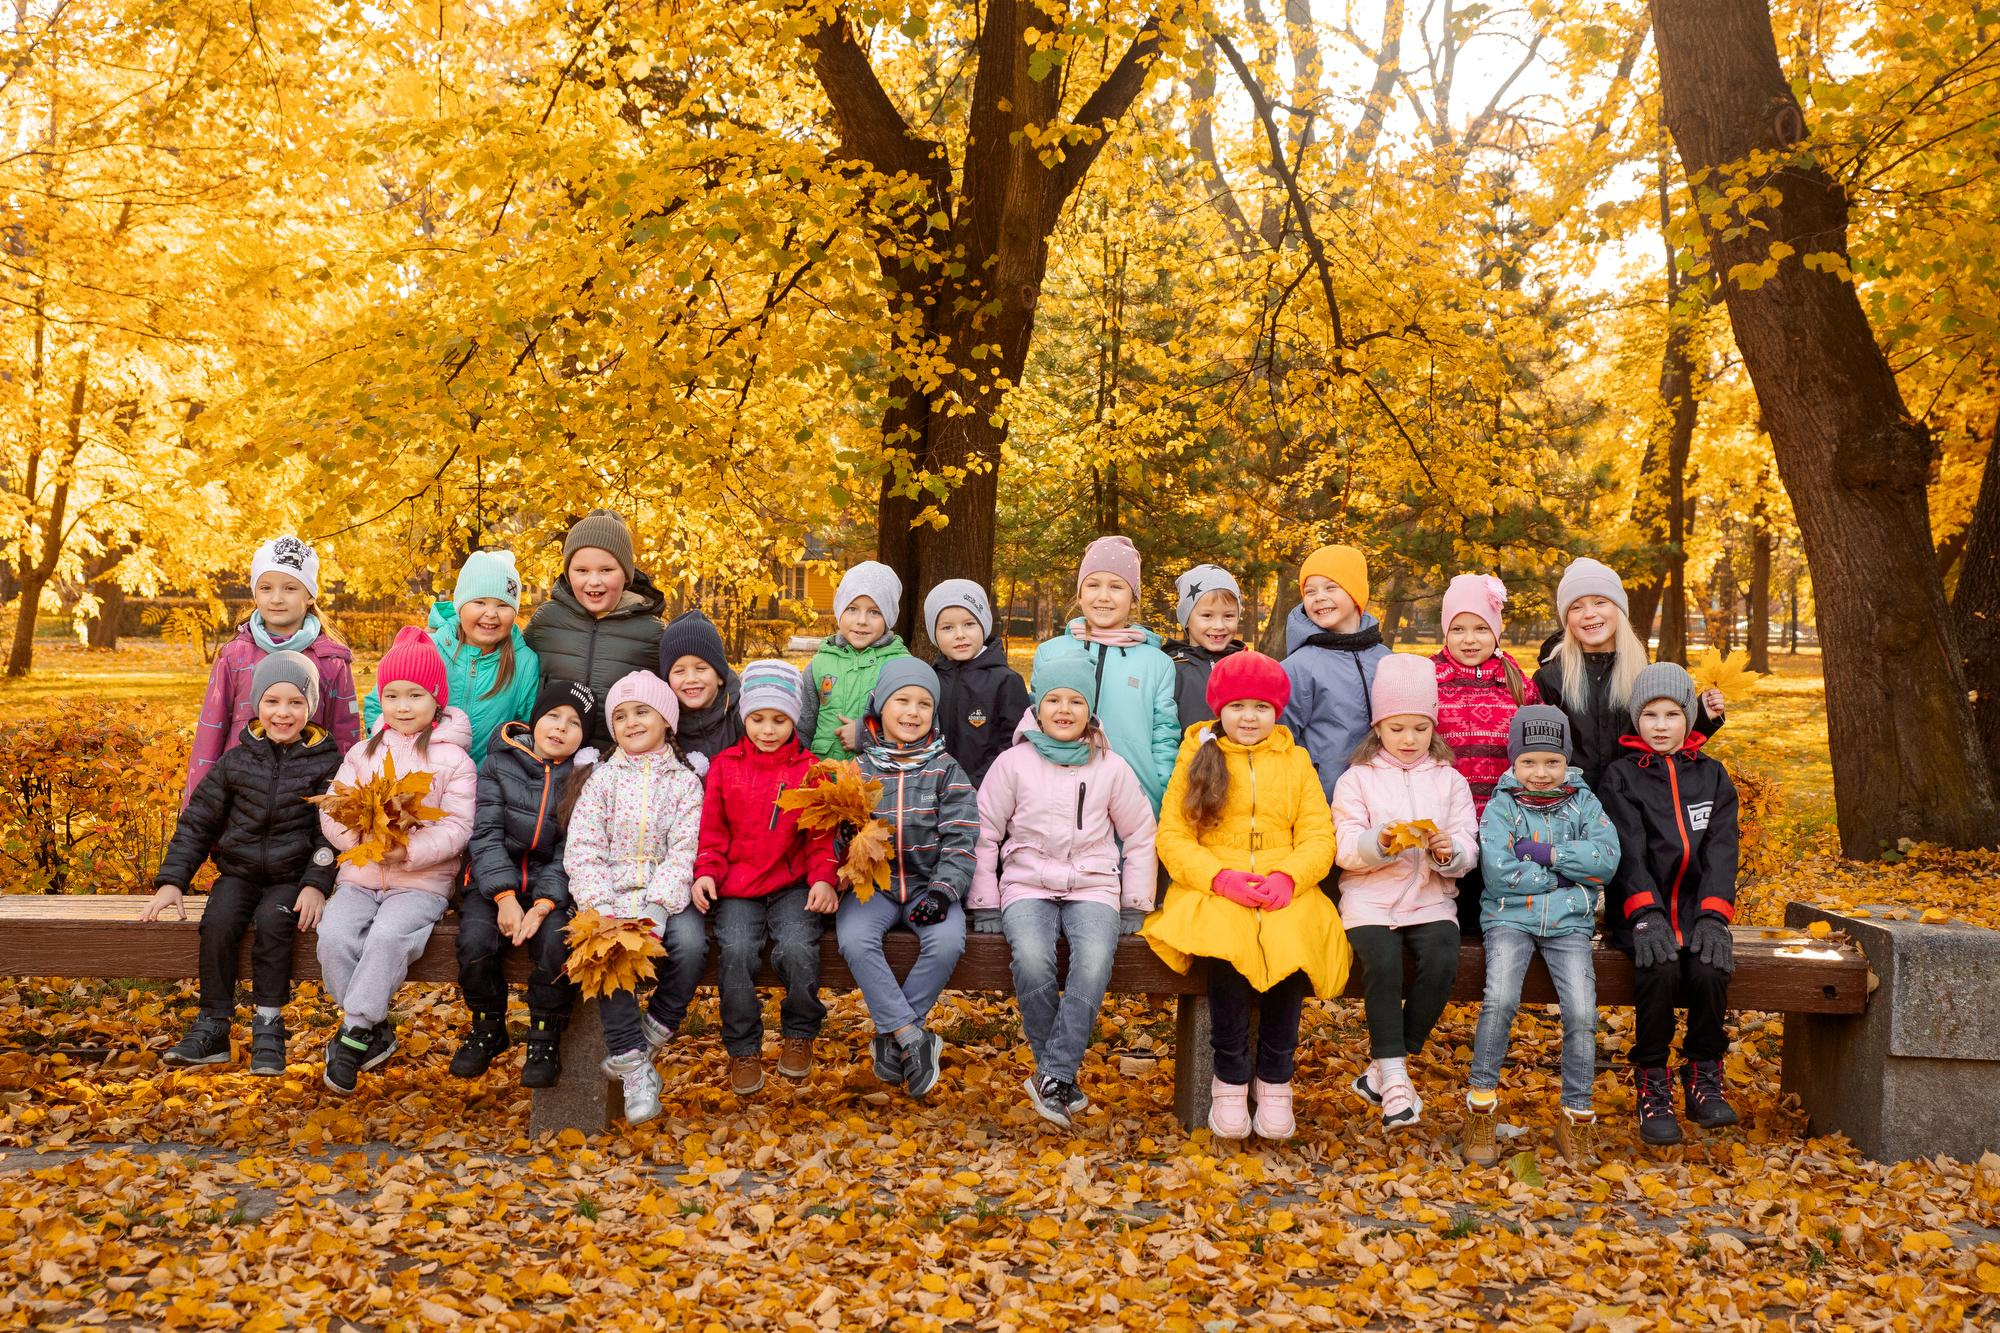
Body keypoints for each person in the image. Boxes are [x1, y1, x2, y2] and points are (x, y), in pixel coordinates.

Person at [1141, 651, 1346, 1141]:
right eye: (1237, 706)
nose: (1248, 717)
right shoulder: (1198, 756)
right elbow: (1173, 836)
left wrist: (1290, 878)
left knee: (1293, 941)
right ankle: (1230, 1077)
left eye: (1260, 707)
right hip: (1213, 885)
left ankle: (1276, 1077)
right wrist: (1219, 879)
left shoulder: (1295, 762)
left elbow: (1319, 836)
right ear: (1219, 709)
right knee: (1228, 944)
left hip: (1283, 885)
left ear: (1277, 712)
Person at [967, 655, 1158, 1127]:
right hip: (1026, 881)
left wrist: (1134, 902)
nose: (1064, 709)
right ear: (1038, 705)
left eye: (1076, 700)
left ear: (1090, 711)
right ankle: (1059, 1078)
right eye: (1054, 699)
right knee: (1032, 957)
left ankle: (1051, 1073)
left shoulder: (1111, 768)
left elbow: (1139, 834)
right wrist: (985, 900)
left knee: (1093, 962)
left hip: (1093, 883)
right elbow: (984, 831)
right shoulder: (1013, 764)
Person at [146, 652, 344, 1075]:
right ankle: (213, 1024)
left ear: (310, 706)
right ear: (257, 704)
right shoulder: (237, 760)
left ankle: (269, 1024)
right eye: (272, 702)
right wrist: (173, 880)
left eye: (295, 702)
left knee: (275, 925)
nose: (283, 713)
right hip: (239, 873)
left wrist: (316, 882)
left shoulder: (328, 764)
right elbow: (199, 822)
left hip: (290, 878)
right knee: (217, 922)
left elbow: (330, 834)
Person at [316, 628, 478, 1095]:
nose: (402, 706)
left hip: (421, 884)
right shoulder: (363, 753)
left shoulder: (454, 761)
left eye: (415, 695)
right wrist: (358, 837)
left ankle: (353, 1034)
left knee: (388, 936)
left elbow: (458, 828)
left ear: (437, 700)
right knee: (335, 934)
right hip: (360, 876)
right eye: (391, 695)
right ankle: (372, 1028)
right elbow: (334, 808)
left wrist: (408, 850)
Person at [1463, 706, 1619, 1167]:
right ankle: (1481, 1107)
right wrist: (1564, 878)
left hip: (1570, 924)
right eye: (1528, 761)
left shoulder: (1585, 803)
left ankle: (1575, 1116)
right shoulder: (1501, 805)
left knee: (1582, 1011)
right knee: (1500, 1001)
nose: (1540, 772)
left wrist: (1544, 852)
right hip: (1510, 919)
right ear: (1513, 762)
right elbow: (1498, 872)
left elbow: (1606, 860)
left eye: (1551, 761)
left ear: (1566, 761)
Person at [1599, 663, 1742, 1147]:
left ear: (1689, 718)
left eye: (1671, 714)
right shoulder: (1621, 777)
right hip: (1643, 913)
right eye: (1650, 715)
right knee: (1657, 969)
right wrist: (1644, 912)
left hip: (1698, 911)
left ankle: (1703, 1073)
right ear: (1636, 721)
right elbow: (1626, 851)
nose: (1660, 726)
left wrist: (1715, 916)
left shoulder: (1713, 776)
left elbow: (1722, 852)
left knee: (1709, 970)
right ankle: (1651, 1079)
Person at [1333, 653, 1476, 1130]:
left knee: (1442, 958)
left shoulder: (1450, 780)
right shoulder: (1357, 779)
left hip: (1430, 896)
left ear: (1433, 727)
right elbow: (1346, 847)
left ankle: (1385, 1066)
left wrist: (1446, 851)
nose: (1409, 739)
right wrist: (1381, 842)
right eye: (1397, 729)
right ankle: (1394, 1076)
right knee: (1383, 963)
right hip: (1369, 898)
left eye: (1419, 728)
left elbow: (1468, 845)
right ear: (1379, 729)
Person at [562, 670, 707, 1125]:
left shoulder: (685, 783)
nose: (631, 722)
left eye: (642, 712)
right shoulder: (602, 780)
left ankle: (656, 1026)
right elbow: (583, 849)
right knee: (606, 954)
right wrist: (602, 907)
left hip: (668, 896)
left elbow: (686, 848)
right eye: (620, 716)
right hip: (609, 894)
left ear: (667, 720)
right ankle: (632, 1065)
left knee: (691, 944)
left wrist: (659, 905)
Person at [690, 660, 837, 1096]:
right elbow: (712, 834)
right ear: (744, 717)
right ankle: (743, 1047)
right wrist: (706, 874)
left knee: (796, 948)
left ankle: (799, 1032)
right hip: (738, 888)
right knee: (734, 951)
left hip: (792, 886)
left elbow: (821, 836)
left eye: (779, 720)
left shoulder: (810, 770)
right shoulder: (726, 767)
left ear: (794, 719)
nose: (768, 730)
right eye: (758, 719)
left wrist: (824, 878)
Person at [834, 660, 978, 1100]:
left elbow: (962, 836)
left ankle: (894, 1034)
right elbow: (840, 833)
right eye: (903, 700)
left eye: (924, 704)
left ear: (934, 715)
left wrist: (943, 890)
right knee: (855, 940)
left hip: (927, 887)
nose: (912, 712)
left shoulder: (946, 770)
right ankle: (913, 1038)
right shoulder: (858, 769)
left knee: (948, 942)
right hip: (872, 888)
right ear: (879, 707)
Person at [449, 679, 594, 1088]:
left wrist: (545, 903)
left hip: (552, 887)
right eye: (553, 716)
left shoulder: (584, 778)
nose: (561, 728)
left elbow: (572, 850)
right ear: (535, 720)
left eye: (574, 723)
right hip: (494, 882)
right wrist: (505, 897)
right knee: (475, 941)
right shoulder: (499, 763)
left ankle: (545, 1034)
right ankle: (487, 1025)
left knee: (555, 942)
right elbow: (487, 833)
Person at [185, 535, 358, 801]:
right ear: (255, 592)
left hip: (302, 808)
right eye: (266, 588)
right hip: (240, 805)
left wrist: (344, 813)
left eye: (290, 588)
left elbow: (346, 742)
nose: (276, 598)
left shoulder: (331, 661)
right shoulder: (234, 656)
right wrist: (196, 812)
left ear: (310, 594)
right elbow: (210, 734)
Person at [1030, 536, 1179, 812]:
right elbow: (1035, 723)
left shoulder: (1157, 663)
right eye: (1093, 585)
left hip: (1136, 799)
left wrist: (1160, 787)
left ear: (1133, 598)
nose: (1103, 596)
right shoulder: (1050, 654)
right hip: (1060, 796)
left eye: (1116, 587)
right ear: (1080, 594)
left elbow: (1165, 736)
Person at [1432, 573, 1540, 937]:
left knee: (1492, 919)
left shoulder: (1516, 681)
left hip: (1503, 823)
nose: (1469, 639)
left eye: (1480, 628)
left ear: (1495, 630)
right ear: (1445, 631)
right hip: (1448, 822)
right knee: (1454, 917)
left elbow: (1534, 748)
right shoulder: (1429, 676)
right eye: (1458, 629)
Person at [364, 550, 540, 764]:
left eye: (503, 605)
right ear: (460, 607)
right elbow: (379, 703)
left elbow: (526, 727)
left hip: (487, 785)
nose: (491, 613)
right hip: (420, 776)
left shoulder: (524, 662)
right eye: (480, 602)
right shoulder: (429, 648)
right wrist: (396, 757)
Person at [523, 511, 667, 749]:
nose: (593, 581)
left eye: (606, 570)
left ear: (626, 575)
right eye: (581, 570)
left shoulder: (651, 632)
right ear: (568, 573)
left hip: (617, 761)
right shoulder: (548, 620)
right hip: (552, 755)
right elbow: (510, 666)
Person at [1280, 544, 1392, 802]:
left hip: (1383, 796)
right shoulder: (1298, 667)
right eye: (1310, 591)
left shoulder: (1385, 659)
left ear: (1355, 594)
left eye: (1331, 587)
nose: (1319, 597)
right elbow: (1282, 738)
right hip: (1323, 796)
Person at [799, 561, 911, 760]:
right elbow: (803, 728)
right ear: (839, 610)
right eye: (852, 609)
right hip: (822, 779)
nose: (861, 620)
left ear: (889, 617)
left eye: (874, 612)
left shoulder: (900, 667)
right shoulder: (819, 665)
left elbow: (911, 726)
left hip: (877, 781)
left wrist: (865, 735)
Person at [923, 579, 1029, 788]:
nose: (960, 634)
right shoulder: (930, 680)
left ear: (983, 625)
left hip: (989, 791)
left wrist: (975, 782)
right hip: (933, 790)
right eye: (947, 628)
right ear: (933, 634)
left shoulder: (1006, 681)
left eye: (969, 624)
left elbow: (1015, 742)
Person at [1163, 564, 1247, 729]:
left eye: (1228, 616)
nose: (1219, 625)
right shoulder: (1170, 667)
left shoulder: (1246, 665)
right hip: (1187, 753)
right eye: (1207, 616)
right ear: (1186, 619)